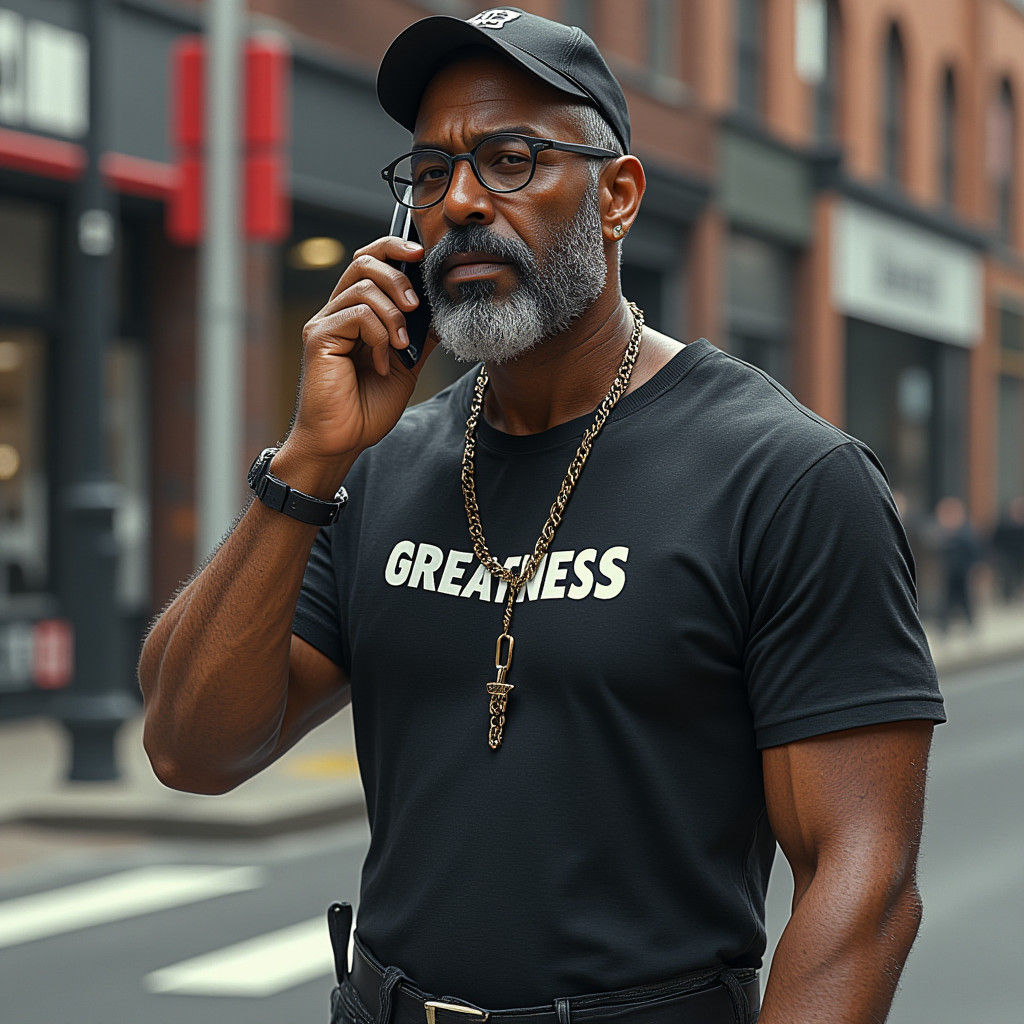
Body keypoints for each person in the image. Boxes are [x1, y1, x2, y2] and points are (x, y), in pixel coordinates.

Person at [138, 8, 946, 1024]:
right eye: (430, 174)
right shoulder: (378, 466)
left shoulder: (784, 476)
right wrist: (309, 459)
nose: (463, 201)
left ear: (616, 196)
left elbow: (860, 882)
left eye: (510, 160)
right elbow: (188, 747)